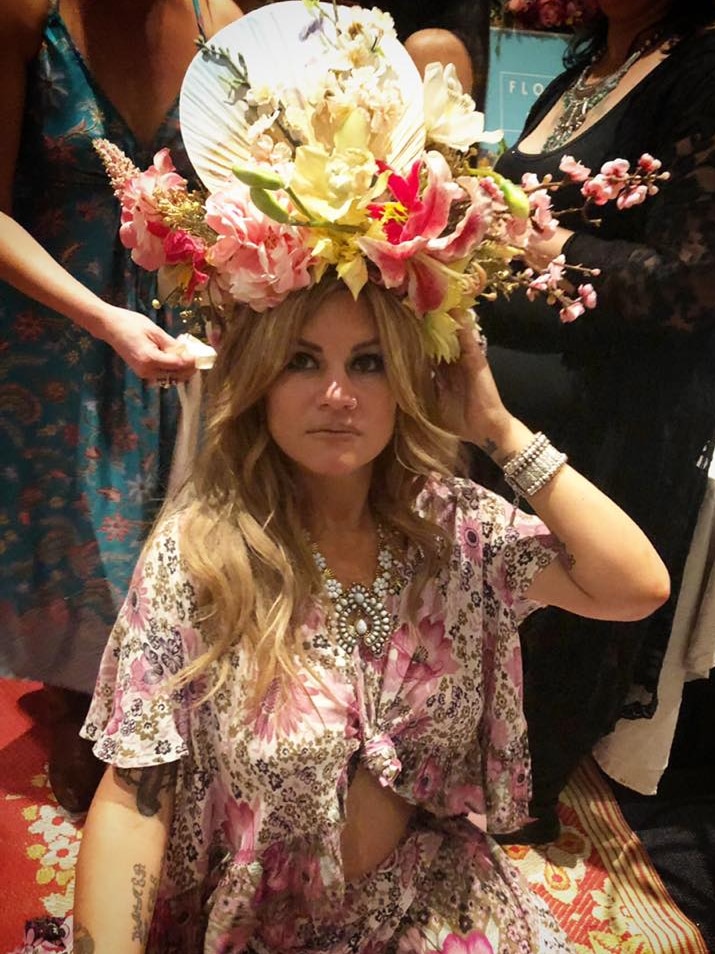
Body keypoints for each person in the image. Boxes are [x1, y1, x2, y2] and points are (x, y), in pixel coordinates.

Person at [67, 274, 668, 952]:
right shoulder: (204, 554)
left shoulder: (452, 526)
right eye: (301, 360)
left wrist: (499, 430)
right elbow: (134, 793)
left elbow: (634, 586)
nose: (337, 395)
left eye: (369, 362)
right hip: (255, 929)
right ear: (258, 376)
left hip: (429, 906)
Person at [476, 0, 715, 838]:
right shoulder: (592, 64)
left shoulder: (700, 67)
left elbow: (693, 284)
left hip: (609, 407)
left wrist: (549, 253)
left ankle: (518, 787)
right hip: (521, 375)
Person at [0, 0, 243, 812]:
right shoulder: (26, 17)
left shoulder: (221, 19)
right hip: (56, 329)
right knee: (77, 537)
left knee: (174, 533)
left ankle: (150, 710)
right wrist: (102, 319)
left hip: (185, 328)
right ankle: (79, 709)